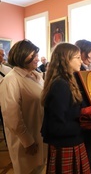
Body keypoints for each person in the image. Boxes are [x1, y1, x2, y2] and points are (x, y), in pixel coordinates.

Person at [41, 43, 90, 173]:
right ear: (66, 59)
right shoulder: (60, 85)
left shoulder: (69, 80)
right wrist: (86, 125)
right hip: (65, 144)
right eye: (78, 57)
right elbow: (56, 126)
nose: (81, 61)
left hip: (72, 140)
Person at [0, 40, 47, 173]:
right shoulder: (11, 80)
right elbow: (12, 116)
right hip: (26, 141)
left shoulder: (37, 76)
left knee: (39, 168)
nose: (37, 59)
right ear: (22, 55)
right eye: (34, 55)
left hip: (40, 133)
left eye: (37, 55)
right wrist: (28, 141)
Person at [75, 39, 91, 174]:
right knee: (87, 152)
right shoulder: (77, 72)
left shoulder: (88, 69)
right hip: (86, 120)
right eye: (90, 52)